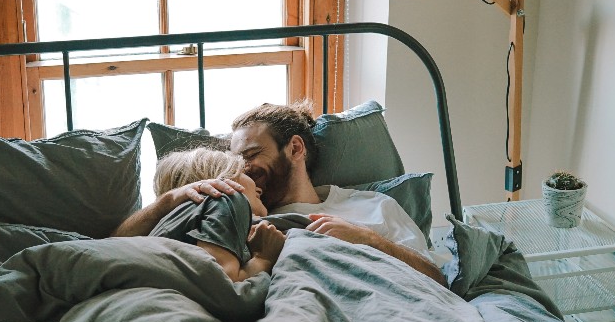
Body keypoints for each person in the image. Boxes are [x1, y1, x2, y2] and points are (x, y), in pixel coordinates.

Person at [230, 101, 447, 287]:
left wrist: (368, 239)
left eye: (251, 155)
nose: (243, 168)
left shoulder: (374, 205)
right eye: (236, 161)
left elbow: (437, 280)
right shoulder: (241, 215)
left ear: (295, 148)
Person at [112, 148, 285, 282]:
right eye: (244, 173)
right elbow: (225, 286)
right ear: (221, 178)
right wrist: (264, 259)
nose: (259, 188)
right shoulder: (224, 201)